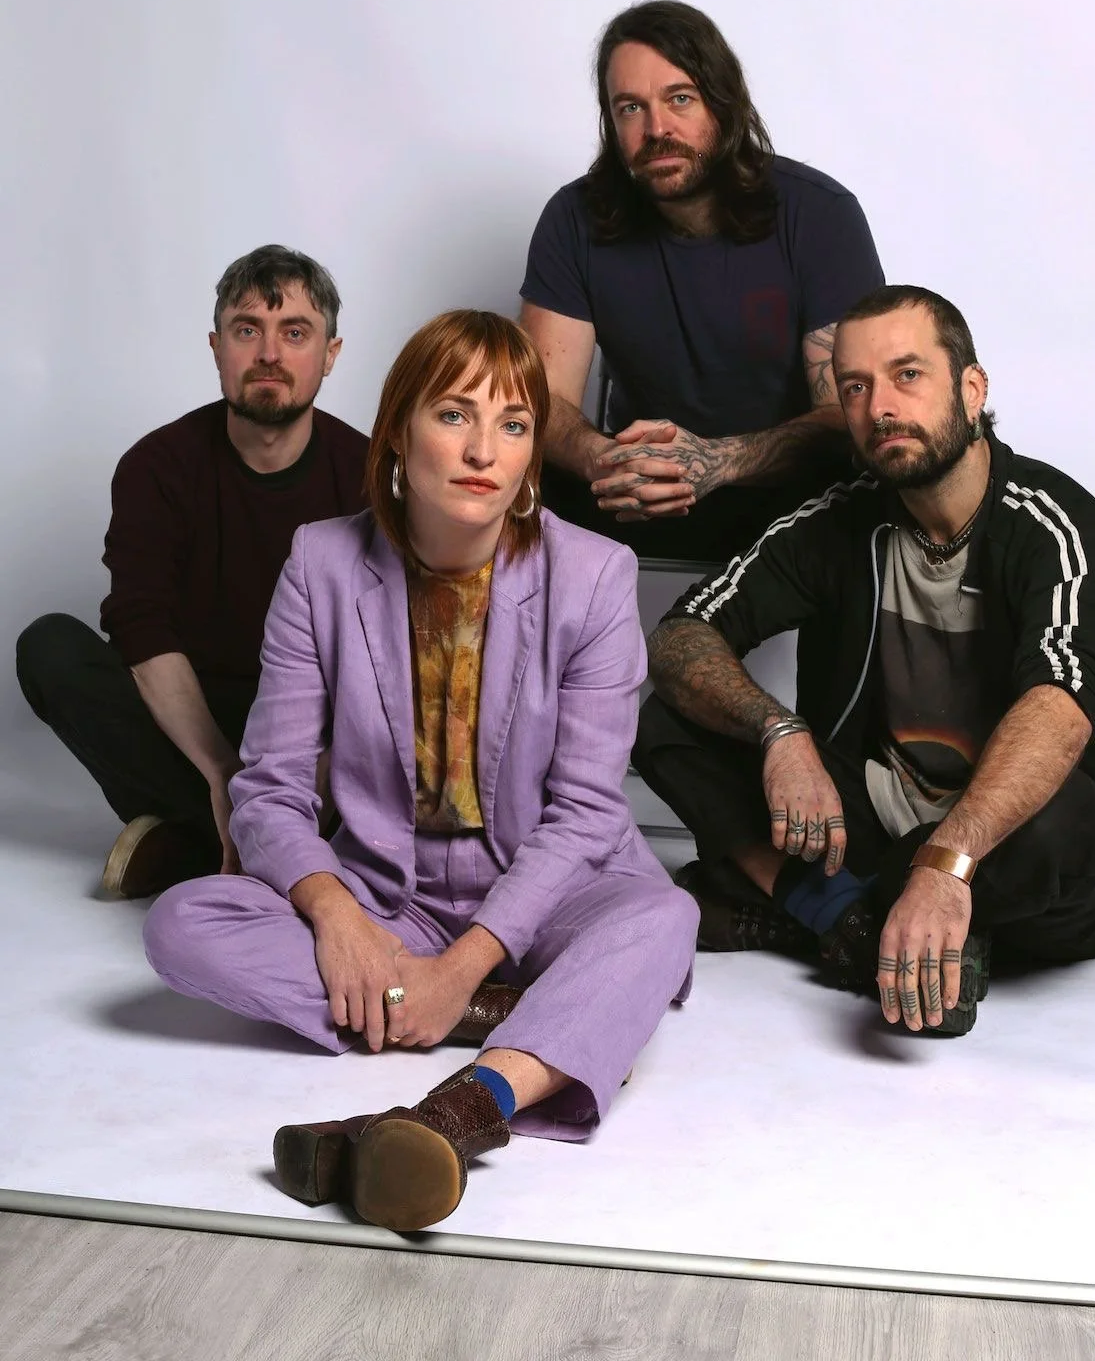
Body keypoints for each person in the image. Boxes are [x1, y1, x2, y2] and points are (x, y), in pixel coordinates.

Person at [142, 310, 698, 1233]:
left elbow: (587, 812)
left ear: (530, 456)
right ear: (399, 428)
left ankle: (457, 1112)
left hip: (548, 891)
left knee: (662, 916)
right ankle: (537, 1022)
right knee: (182, 923)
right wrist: (338, 918)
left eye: (514, 424)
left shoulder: (596, 575)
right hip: (384, 898)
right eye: (454, 415)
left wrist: (469, 954)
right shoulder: (322, 562)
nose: (485, 448)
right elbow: (268, 789)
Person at [635, 285, 1095, 1036]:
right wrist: (778, 732)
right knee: (669, 717)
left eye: (907, 375)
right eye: (855, 388)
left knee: (1063, 824)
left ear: (972, 387)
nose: (879, 407)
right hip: (879, 821)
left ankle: (819, 911)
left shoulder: (1053, 524)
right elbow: (682, 633)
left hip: (1016, 842)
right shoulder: (839, 520)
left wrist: (948, 858)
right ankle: (861, 932)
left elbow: (1059, 703)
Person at [15, 245, 368, 897]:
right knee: (49, 647)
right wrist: (219, 771)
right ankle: (249, 841)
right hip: (188, 723)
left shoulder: (371, 474)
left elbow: (378, 664)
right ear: (216, 347)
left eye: (295, 333)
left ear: (330, 353)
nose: (269, 353)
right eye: (246, 330)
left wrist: (310, 776)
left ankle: (190, 845)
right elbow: (142, 628)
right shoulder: (157, 466)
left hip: (311, 732)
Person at [519, 0, 884, 565]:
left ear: (724, 102)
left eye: (679, 99)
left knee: (880, 477)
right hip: (639, 488)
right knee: (503, 473)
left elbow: (852, 413)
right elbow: (540, 401)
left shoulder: (818, 213)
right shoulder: (574, 219)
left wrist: (717, 461)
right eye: (630, 109)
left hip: (793, 493)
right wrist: (602, 458)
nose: (657, 128)